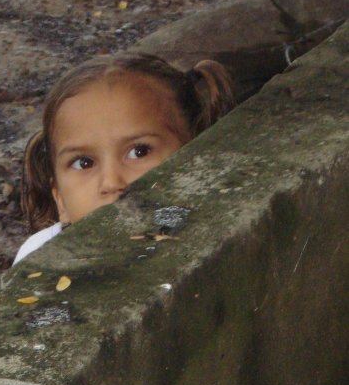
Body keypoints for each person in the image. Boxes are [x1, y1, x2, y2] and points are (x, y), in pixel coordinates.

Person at [13, 52, 235, 264]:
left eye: (139, 152)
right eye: (84, 163)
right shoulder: (39, 256)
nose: (111, 182)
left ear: (195, 159)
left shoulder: (224, 242)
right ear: (60, 199)